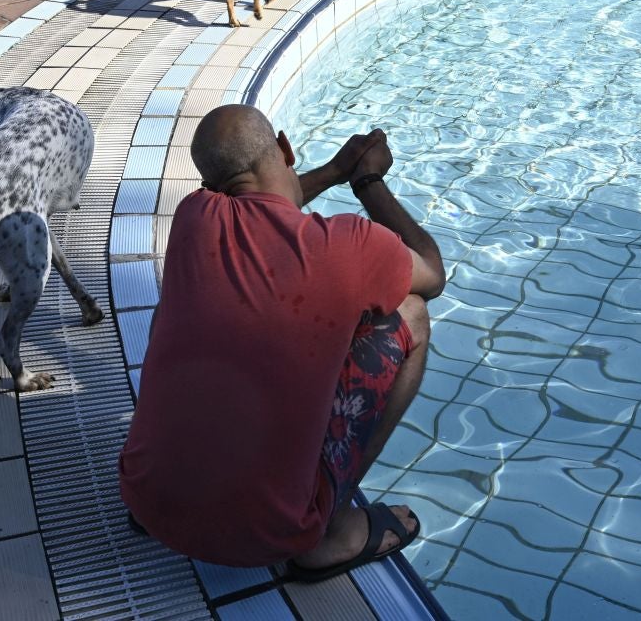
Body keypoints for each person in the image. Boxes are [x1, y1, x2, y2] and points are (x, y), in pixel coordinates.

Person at [119, 107, 443, 576]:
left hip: (147, 500)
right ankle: (325, 533)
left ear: (212, 185)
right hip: (270, 537)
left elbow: (259, 205)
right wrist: (367, 183)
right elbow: (432, 273)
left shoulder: (191, 218)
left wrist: (331, 170)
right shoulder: (351, 246)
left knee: (179, 304)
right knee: (410, 312)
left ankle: (174, 479)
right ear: (287, 149)